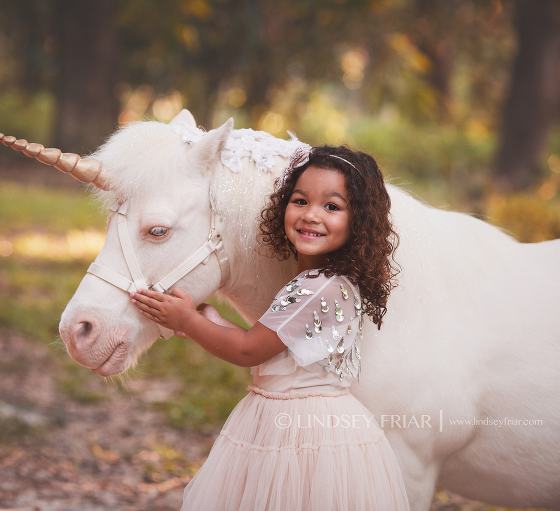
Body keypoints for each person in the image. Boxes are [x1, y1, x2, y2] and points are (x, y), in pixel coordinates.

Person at [130, 145, 411, 510]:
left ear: (358, 220)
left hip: (298, 429)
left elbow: (248, 350)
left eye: (332, 206)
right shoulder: (326, 280)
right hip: (307, 420)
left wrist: (187, 320)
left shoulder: (317, 288)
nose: (311, 215)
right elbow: (266, 344)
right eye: (300, 200)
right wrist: (207, 319)